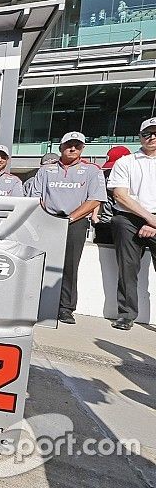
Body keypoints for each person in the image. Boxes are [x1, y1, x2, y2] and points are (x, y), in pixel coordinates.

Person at [28, 131, 106, 325]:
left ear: (82, 148)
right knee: (41, 262)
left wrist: (71, 218)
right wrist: (47, 217)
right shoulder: (46, 170)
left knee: (70, 266)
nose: (72, 148)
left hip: (76, 221)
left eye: (77, 146)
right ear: (60, 147)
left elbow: (95, 199)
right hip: (48, 219)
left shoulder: (92, 171)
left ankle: (66, 308)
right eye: (69, 145)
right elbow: (36, 196)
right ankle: (38, 302)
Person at [106, 118, 156, 330]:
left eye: (155, 133)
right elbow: (120, 196)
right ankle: (126, 314)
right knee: (128, 267)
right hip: (130, 217)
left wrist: (153, 222)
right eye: (147, 133)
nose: (151, 137)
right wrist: (149, 218)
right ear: (139, 136)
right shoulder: (125, 162)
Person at [93, 146, 131, 244]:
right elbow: (98, 197)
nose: (112, 172)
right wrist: (95, 216)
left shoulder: (135, 177)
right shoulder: (104, 175)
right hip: (107, 222)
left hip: (129, 223)